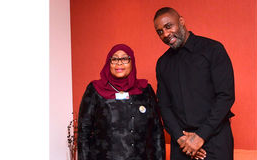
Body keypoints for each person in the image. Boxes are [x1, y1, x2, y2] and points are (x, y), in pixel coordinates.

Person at [154, 7, 235, 160]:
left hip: (215, 141)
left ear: (182, 22)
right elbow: (164, 106)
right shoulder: (162, 63)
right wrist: (181, 139)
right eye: (160, 32)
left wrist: (200, 137)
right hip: (182, 144)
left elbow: (226, 96)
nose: (165, 34)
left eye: (168, 26)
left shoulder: (213, 49)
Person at [77, 44, 165, 160]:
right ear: (109, 63)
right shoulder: (95, 90)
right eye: (114, 59)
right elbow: (84, 132)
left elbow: (157, 131)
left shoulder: (145, 89)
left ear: (131, 62)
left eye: (124, 58)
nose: (119, 63)